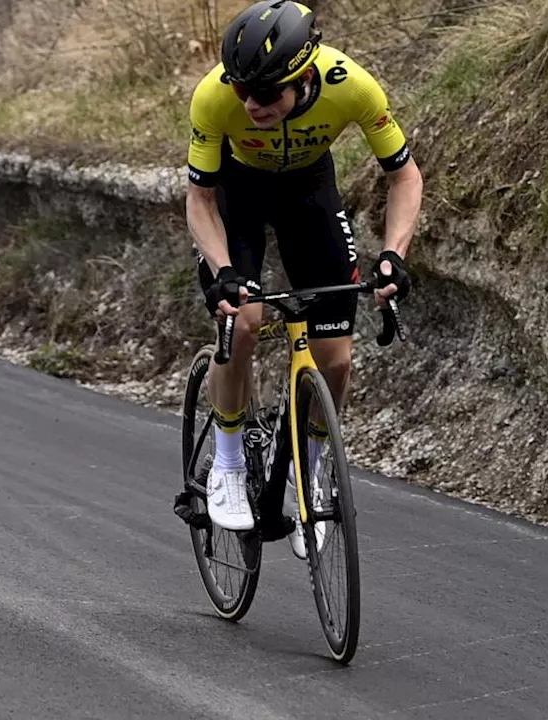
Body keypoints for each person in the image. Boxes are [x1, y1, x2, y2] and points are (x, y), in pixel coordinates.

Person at [185, 0, 422, 556]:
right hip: (236, 195)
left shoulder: (353, 87)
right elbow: (199, 199)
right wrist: (222, 271)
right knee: (243, 321)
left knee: (336, 359)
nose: (250, 104)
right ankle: (226, 457)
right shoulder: (214, 96)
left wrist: (393, 254)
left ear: (305, 76)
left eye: (265, 94)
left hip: (309, 192)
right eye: (243, 91)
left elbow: (405, 177)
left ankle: (312, 470)